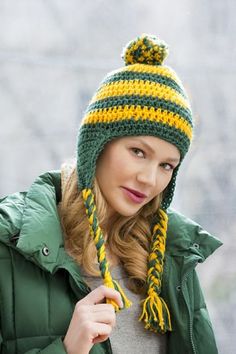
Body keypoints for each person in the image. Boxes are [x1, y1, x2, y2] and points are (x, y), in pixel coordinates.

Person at [0, 34, 222, 354]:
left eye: (167, 166)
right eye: (137, 151)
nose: (148, 179)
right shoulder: (10, 243)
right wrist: (67, 350)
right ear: (96, 145)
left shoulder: (173, 253)